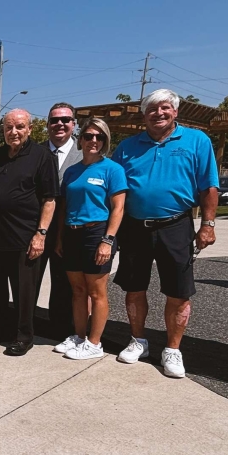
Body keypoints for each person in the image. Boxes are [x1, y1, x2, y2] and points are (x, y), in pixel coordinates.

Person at [111, 89, 218, 378]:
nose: (159, 113)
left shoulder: (197, 141)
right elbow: (115, 190)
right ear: (144, 115)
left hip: (176, 226)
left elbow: (209, 187)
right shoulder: (127, 147)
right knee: (134, 288)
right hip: (134, 227)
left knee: (179, 292)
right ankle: (138, 340)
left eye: (165, 108)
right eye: (152, 109)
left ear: (175, 111)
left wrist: (207, 225)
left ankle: (172, 349)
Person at [0, 109, 59, 356]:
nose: (14, 132)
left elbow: (49, 199)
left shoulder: (42, 156)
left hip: (24, 238)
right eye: (8, 127)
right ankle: (0, 329)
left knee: (24, 292)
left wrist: (40, 234)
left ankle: (23, 336)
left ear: (30, 129)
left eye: (19, 127)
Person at [53, 118, 126, 359]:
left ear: (105, 141)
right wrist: (61, 238)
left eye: (99, 137)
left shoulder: (112, 169)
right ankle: (80, 336)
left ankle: (94, 344)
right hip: (72, 233)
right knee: (77, 290)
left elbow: (118, 208)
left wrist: (108, 240)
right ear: (80, 139)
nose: (93, 140)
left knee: (97, 292)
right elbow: (64, 206)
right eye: (88, 136)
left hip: (97, 233)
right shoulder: (73, 171)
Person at [38, 102, 82, 339]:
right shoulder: (34, 153)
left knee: (64, 284)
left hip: (70, 230)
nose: (60, 124)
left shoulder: (86, 154)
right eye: (54, 120)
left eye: (65, 120)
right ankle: (24, 325)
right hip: (37, 229)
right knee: (30, 278)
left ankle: (61, 330)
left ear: (73, 124)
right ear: (48, 125)